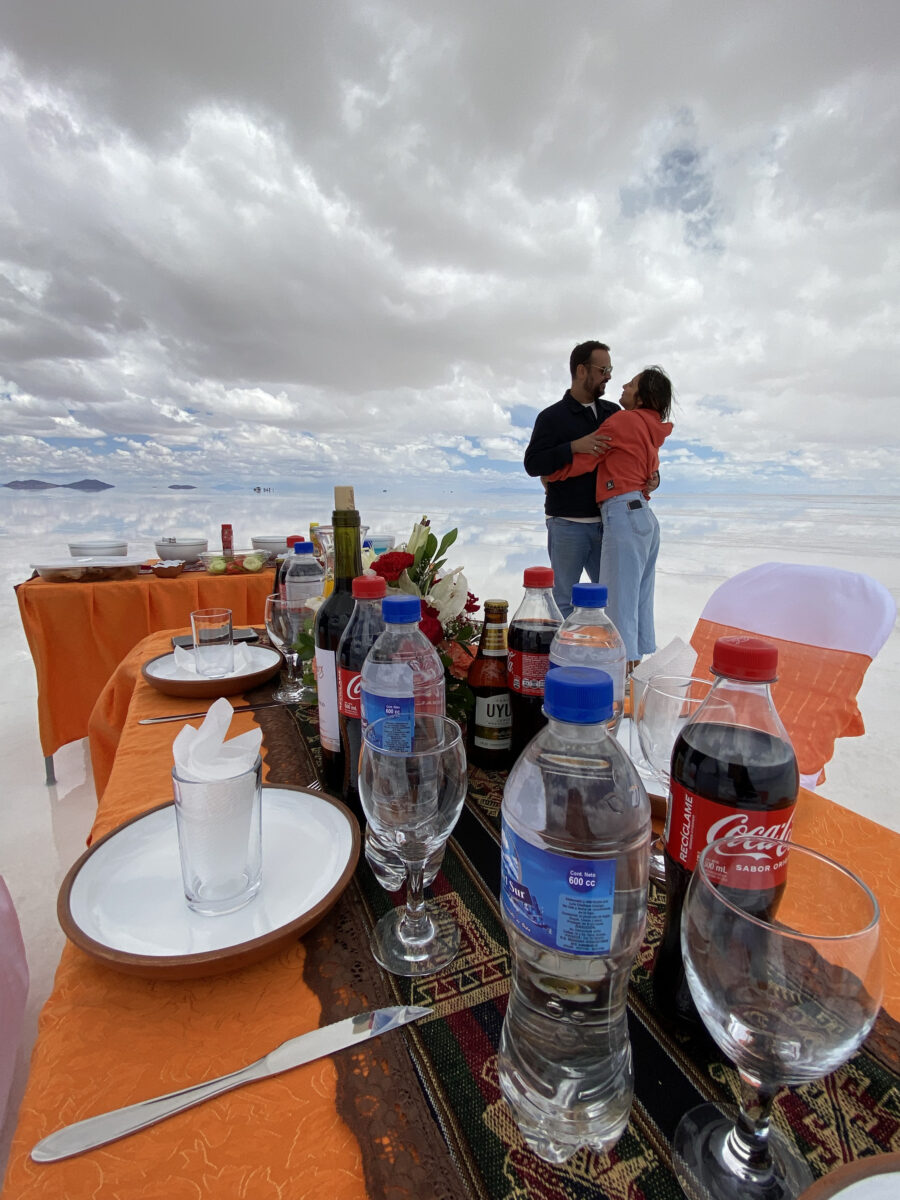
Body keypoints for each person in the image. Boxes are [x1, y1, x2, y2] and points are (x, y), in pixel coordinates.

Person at [545, 366, 673, 670]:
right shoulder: (651, 427)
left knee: (617, 603)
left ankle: (618, 675)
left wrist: (552, 473)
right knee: (638, 599)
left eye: (632, 384)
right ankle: (635, 669)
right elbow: (649, 473)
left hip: (622, 513)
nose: (624, 385)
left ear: (642, 396)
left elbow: (587, 458)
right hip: (644, 517)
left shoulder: (622, 420)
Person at [523, 341, 619, 616]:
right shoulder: (551, 417)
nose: (609, 375)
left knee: (611, 601)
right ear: (581, 370)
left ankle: (604, 658)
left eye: (610, 369)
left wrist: (653, 477)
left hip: (610, 524)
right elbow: (533, 464)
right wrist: (574, 446)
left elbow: (633, 453)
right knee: (563, 601)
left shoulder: (614, 413)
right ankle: (564, 660)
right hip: (566, 524)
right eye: (604, 369)